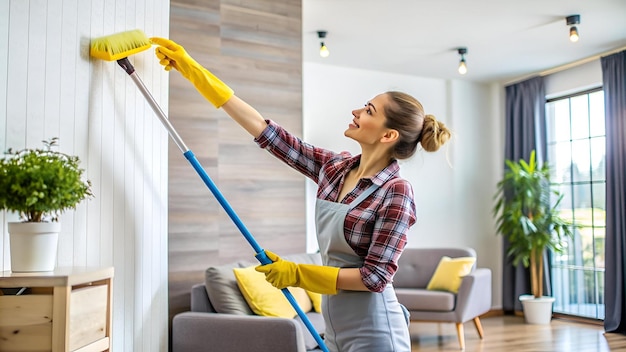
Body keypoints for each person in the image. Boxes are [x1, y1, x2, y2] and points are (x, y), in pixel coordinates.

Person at [150, 37, 451, 352]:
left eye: (369, 110)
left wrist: (297, 273)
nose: (356, 111)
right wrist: (193, 70)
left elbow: (374, 277)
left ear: (388, 135)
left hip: (376, 332)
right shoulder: (333, 168)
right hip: (335, 327)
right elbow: (266, 131)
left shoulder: (396, 192)